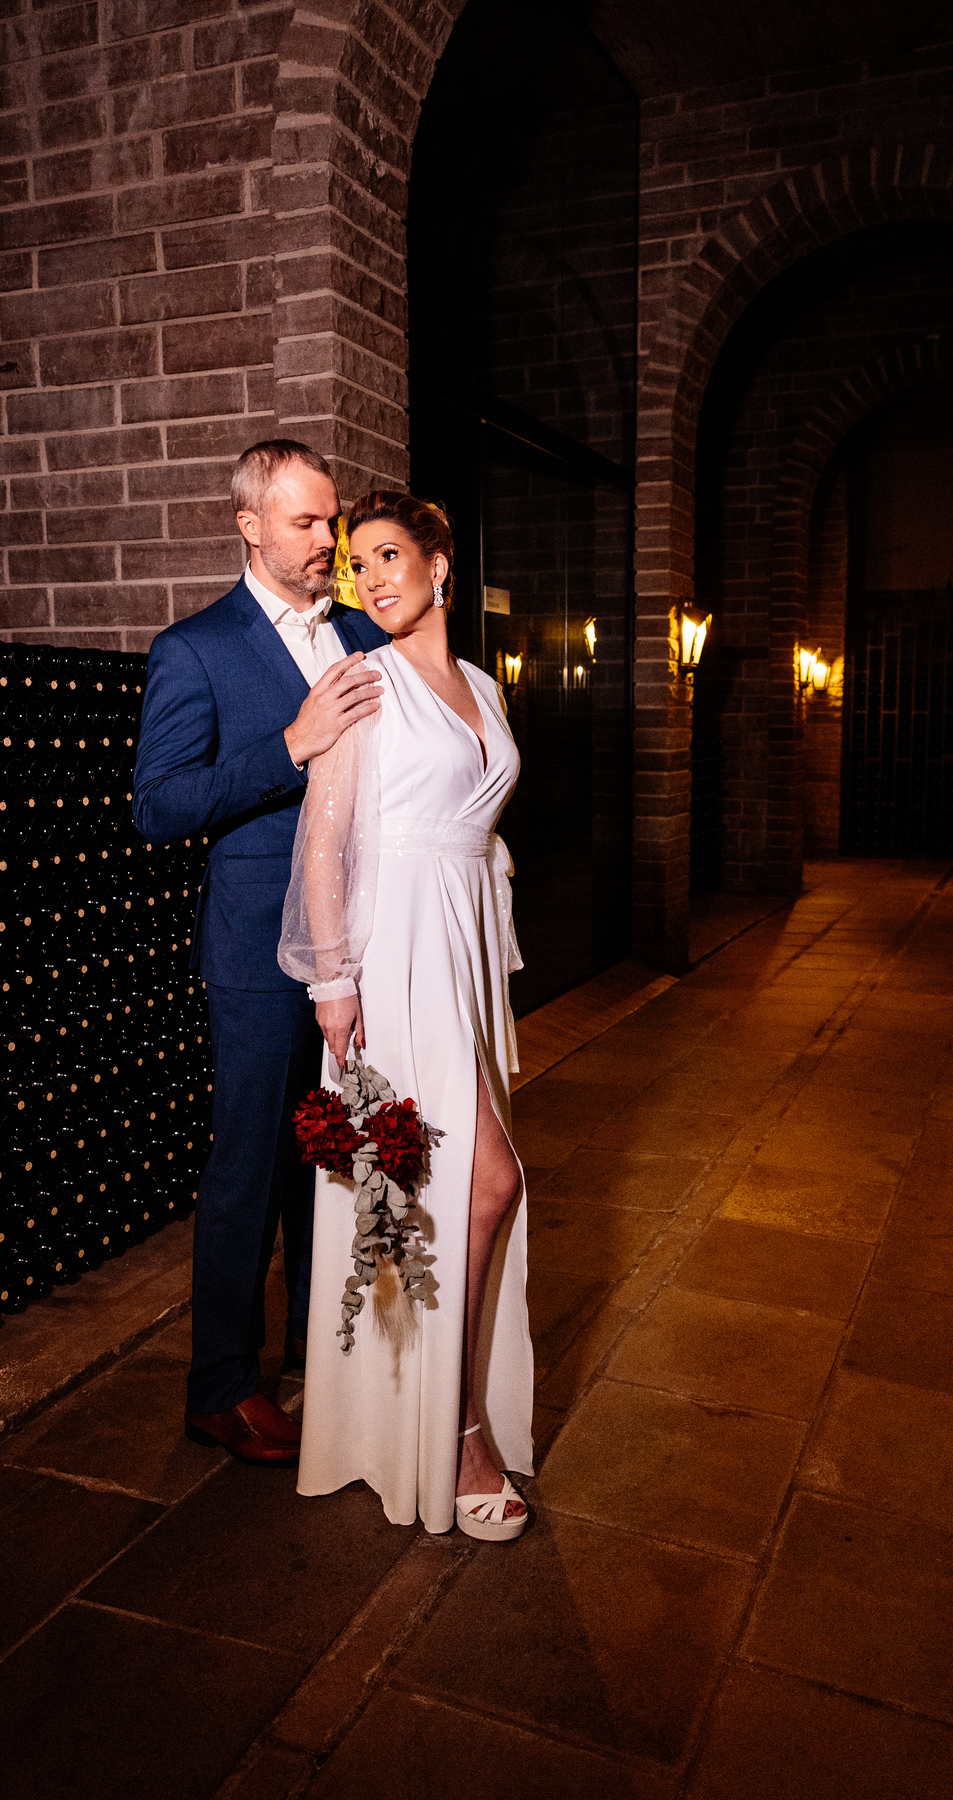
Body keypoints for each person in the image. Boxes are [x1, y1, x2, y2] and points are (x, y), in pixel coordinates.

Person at [279, 491, 533, 1540]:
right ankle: (459, 1431)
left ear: (441, 563)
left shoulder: (478, 682)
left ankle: (436, 1410)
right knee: (484, 1181)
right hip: (394, 960)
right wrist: (332, 986)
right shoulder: (362, 683)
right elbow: (324, 846)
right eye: (355, 567)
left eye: (389, 556)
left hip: (463, 952)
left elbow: (477, 831)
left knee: (438, 1194)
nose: (370, 580)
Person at [133, 441, 388, 1465]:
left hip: (369, 941)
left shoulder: (366, 629)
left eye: (331, 521)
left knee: (333, 1159)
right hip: (257, 954)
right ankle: (222, 1388)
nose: (327, 541)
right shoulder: (194, 650)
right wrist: (288, 743)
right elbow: (159, 807)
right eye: (303, 523)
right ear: (248, 525)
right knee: (248, 1167)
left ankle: (325, 1357)